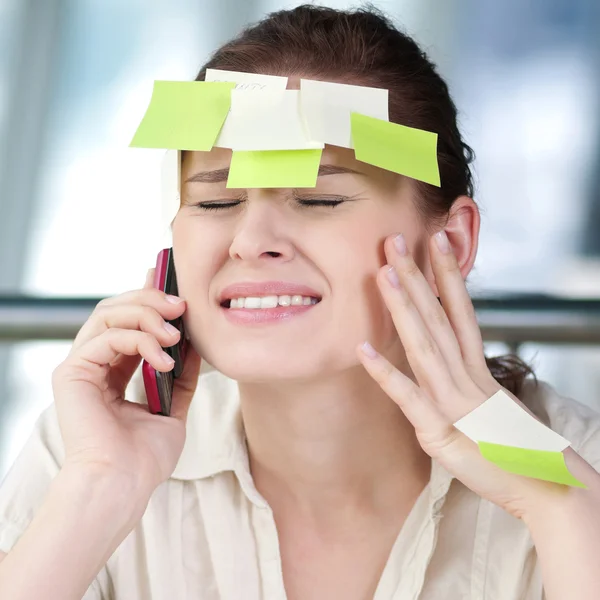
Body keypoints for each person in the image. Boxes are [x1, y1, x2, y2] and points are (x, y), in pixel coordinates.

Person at [1, 5, 600, 600]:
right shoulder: (87, 451)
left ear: (450, 242)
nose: (252, 242)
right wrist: (98, 490)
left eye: (319, 200)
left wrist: (555, 499)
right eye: (214, 203)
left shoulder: (578, 461)